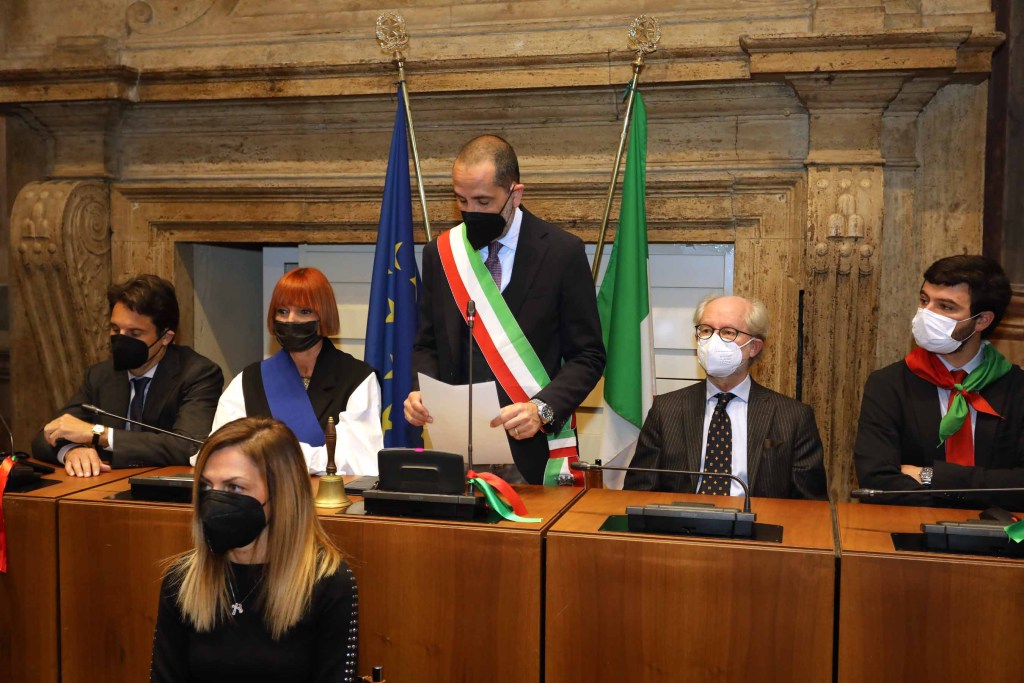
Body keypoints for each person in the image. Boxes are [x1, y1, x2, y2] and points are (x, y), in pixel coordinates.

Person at [403, 134, 606, 485]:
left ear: (515, 194)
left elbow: (588, 356)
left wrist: (542, 410)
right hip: (457, 452)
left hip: (531, 452)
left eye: (484, 201)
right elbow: (426, 344)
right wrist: (422, 391)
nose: (472, 212)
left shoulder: (562, 252)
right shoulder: (442, 254)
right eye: (462, 200)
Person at [150, 417, 358, 682]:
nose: (214, 500)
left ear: (281, 494)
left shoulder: (327, 582)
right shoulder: (182, 580)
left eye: (234, 487)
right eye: (205, 486)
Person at [855, 255, 1023, 509]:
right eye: (924, 300)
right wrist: (985, 490)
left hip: (1004, 530)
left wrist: (930, 476)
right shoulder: (888, 384)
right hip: (911, 528)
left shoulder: (1017, 390)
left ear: (982, 320)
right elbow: (877, 484)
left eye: (946, 307)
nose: (927, 314)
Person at [625, 294, 827, 500]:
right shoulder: (666, 410)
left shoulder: (794, 417)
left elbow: (810, 507)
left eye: (728, 332)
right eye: (706, 330)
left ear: (754, 347)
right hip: (683, 519)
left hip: (757, 518)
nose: (713, 341)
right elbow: (637, 494)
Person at [31, 274, 223, 476]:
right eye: (115, 330)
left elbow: (190, 446)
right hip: (107, 484)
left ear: (166, 337)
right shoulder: (100, 375)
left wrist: (98, 434)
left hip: (165, 489)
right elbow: (46, 434)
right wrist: (71, 450)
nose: (121, 340)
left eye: (134, 333)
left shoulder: (198, 374)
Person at [210, 267, 382, 475]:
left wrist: (273, 453)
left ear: (323, 315)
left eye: (304, 311)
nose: (291, 320)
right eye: (282, 311)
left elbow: (360, 461)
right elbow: (220, 449)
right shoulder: (249, 380)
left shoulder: (357, 379)